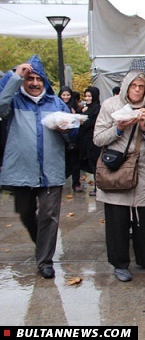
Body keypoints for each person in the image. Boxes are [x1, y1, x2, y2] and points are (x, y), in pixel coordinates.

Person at [0, 55, 79, 279]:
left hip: (51, 172)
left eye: (39, 79)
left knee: (49, 214)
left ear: (45, 82)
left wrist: (68, 129)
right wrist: (15, 77)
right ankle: (41, 242)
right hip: (21, 171)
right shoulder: (14, 101)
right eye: (29, 78)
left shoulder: (56, 103)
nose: (34, 83)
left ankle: (45, 260)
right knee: (25, 213)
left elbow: (74, 133)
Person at [93, 69, 145, 282]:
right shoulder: (110, 106)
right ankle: (119, 263)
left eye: (142, 87)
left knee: (144, 218)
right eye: (134, 86)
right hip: (117, 168)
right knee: (117, 220)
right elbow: (97, 139)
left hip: (141, 168)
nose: (138, 90)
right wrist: (119, 128)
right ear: (126, 86)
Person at [59, 86, 83, 193]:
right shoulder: (56, 106)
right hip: (60, 140)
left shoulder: (75, 107)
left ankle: (76, 183)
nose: (65, 97)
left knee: (75, 162)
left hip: (74, 139)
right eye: (63, 95)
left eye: (68, 94)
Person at [79, 86, 101, 197]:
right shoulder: (86, 108)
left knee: (95, 164)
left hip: (94, 141)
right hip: (86, 141)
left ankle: (99, 188)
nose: (87, 98)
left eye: (89, 96)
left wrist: (83, 120)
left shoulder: (97, 109)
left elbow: (90, 124)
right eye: (86, 96)